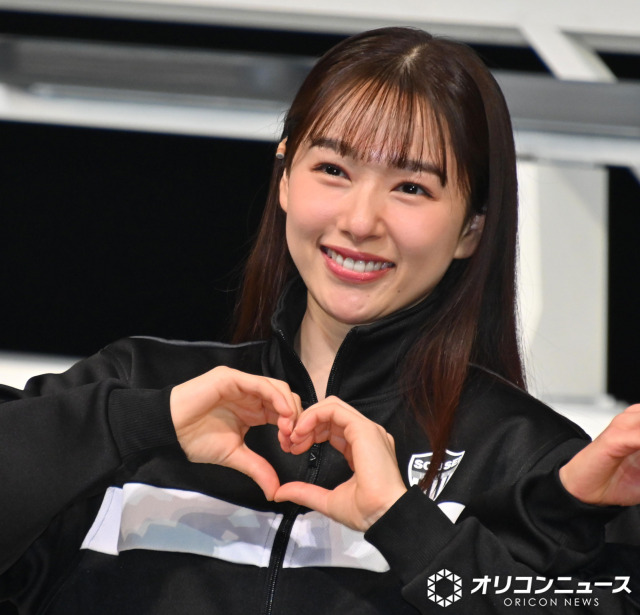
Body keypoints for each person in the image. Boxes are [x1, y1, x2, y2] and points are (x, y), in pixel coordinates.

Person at [0, 26, 638, 614]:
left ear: (472, 228)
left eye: (411, 187)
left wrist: (404, 524)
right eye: (333, 170)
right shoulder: (137, 385)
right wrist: (136, 423)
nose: (360, 221)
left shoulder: (535, 469)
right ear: (284, 178)